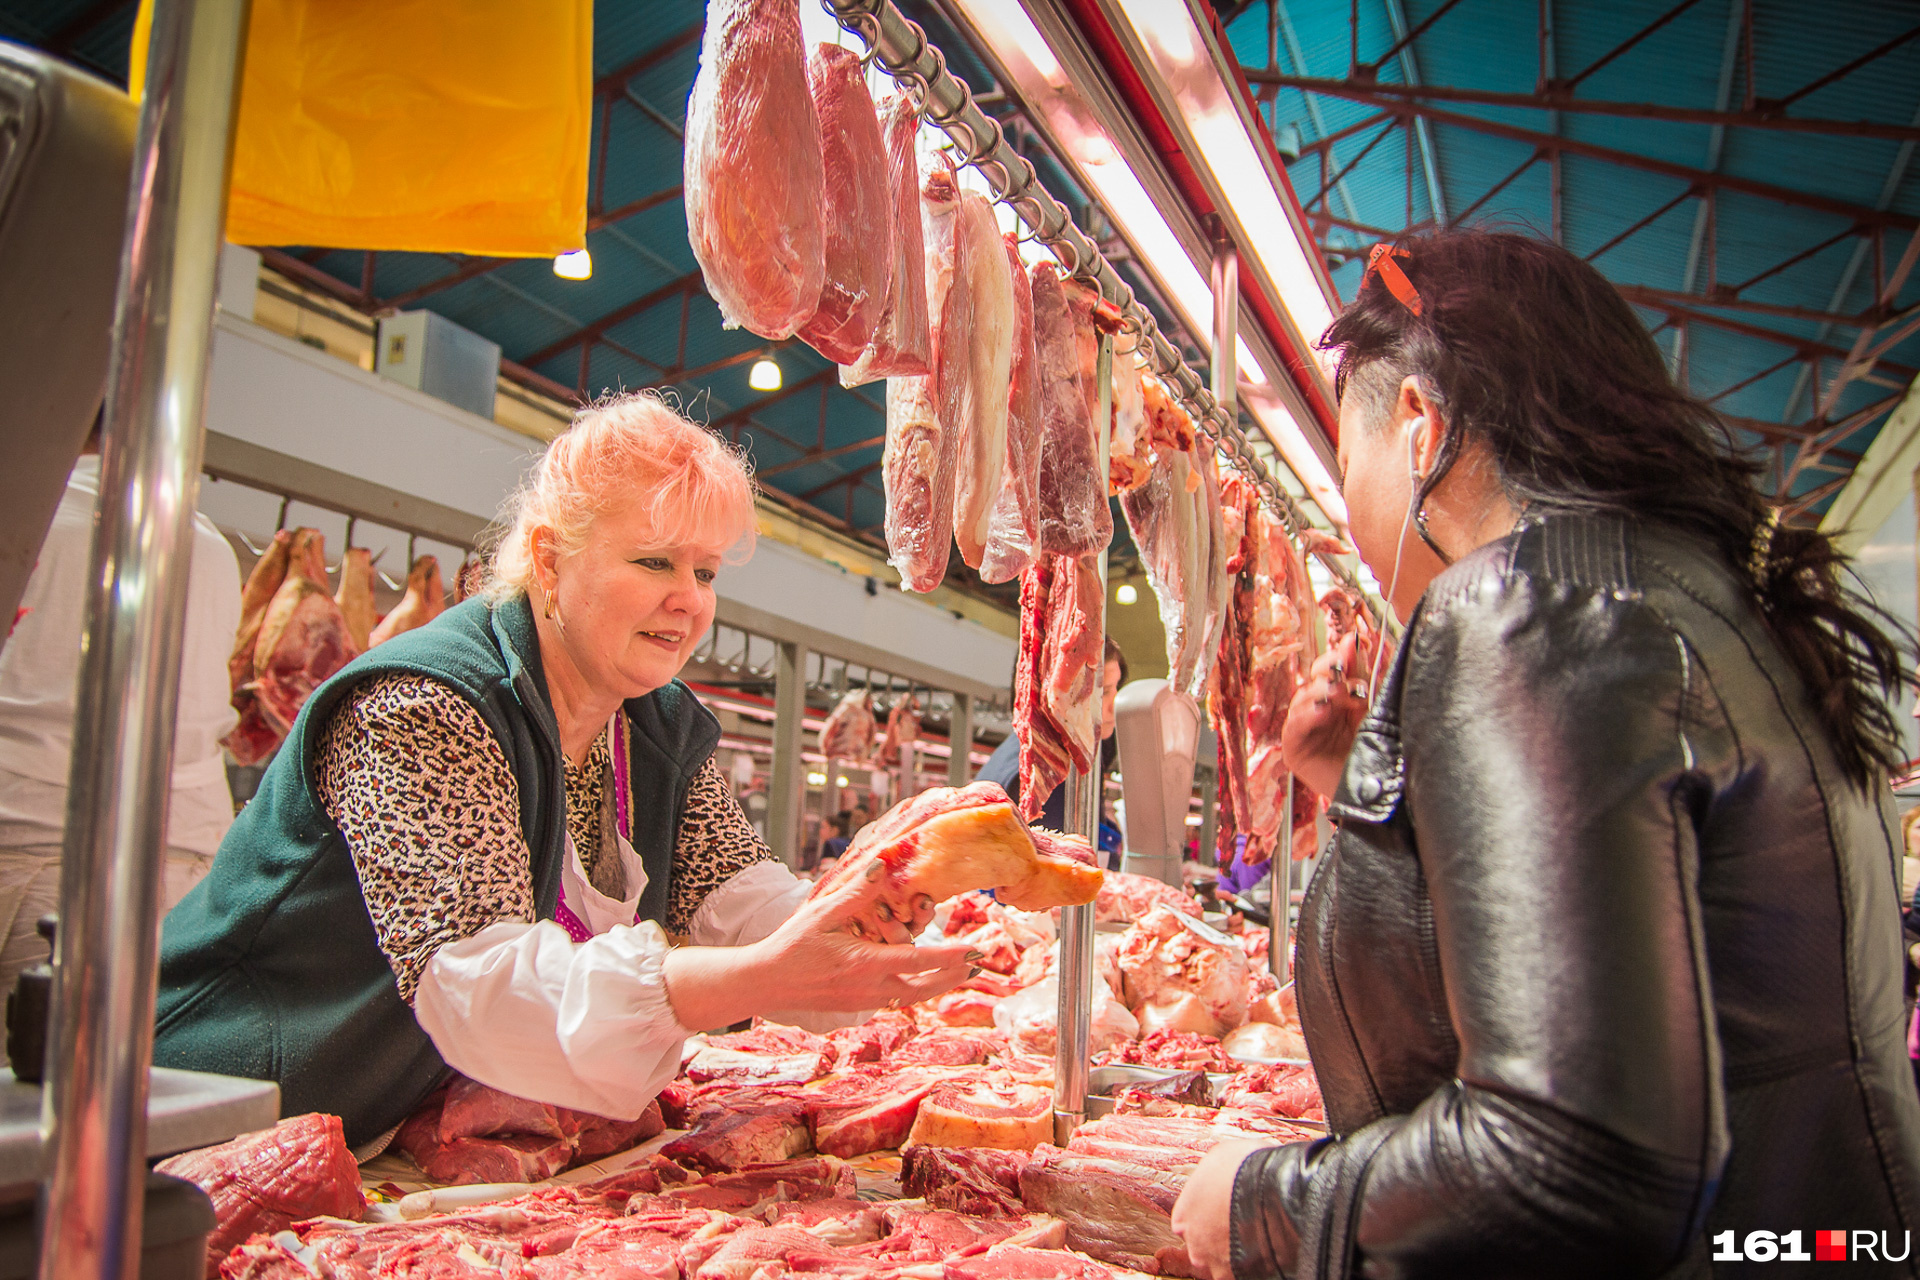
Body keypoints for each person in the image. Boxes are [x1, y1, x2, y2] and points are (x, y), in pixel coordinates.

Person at [1171, 230, 1920, 1278]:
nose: (1352, 516)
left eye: (1351, 467)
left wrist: (1271, 1207)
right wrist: (1357, 780)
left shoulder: (1529, 606)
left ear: (1423, 426)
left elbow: (1574, 1157)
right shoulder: (1683, 597)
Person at [153, 394, 976, 1148]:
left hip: (383, 1134)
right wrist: (755, 976)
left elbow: (743, 902)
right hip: (226, 1113)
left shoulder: (652, 725)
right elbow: (479, 985)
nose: (689, 598)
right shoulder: (426, 706)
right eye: (655, 562)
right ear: (549, 561)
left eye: (707, 571)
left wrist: (872, 911)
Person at [0, 415, 241, 1000]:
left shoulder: (37, 513)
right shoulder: (206, 540)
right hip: (180, 866)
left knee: (31, 1080)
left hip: (37, 845)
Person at [978, 638, 1126, 854]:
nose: (1116, 705)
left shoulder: (1041, 756)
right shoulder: (1045, 777)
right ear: (1061, 694)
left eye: (1117, 689)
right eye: (1104, 692)